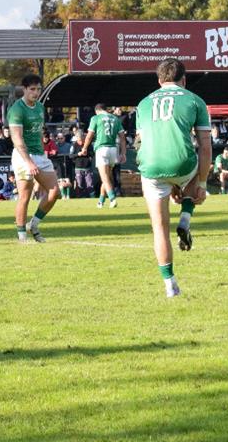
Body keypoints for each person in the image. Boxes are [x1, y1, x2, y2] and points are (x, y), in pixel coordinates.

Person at [135, 58, 213, 297]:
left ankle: (170, 284)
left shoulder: (143, 103)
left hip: (151, 166)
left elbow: (139, 141)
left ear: (159, 81)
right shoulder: (194, 100)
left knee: (159, 228)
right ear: (184, 80)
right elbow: (205, 146)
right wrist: (201, 183)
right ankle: (186, 217)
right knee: (190, 178)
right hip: (182, 162)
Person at [7, 75, 60, 242]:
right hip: (23, 156)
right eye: (32, 89)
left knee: (54, 192)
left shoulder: (39, 108)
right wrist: (29, 162)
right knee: (25, 195)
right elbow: (17, 139)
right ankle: (22, 236)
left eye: (38, 89)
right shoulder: (17, 109)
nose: (36, 93)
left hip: (39, 154)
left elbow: (37, 133)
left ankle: (34, 225)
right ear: (24, 89)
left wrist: (40, 154)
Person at [80, 103, 127, 208]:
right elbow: (123, 138)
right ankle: (101, 201)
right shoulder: (115, 118)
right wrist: (123, 153)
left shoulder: (96, 118)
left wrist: (84, 148)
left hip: (102, 149)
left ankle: (112, 198)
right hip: (113, 149)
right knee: (106, 177)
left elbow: (89, 136)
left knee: (104, 177)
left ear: (97, 110)